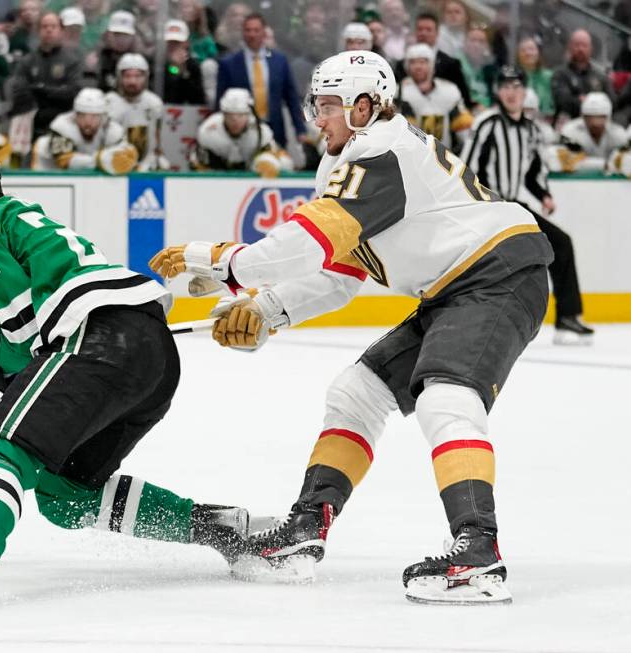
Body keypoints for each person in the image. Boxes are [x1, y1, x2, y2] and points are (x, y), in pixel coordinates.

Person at [151, 50, 553, 605]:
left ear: (366, 106)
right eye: (316, 104)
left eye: (330, 105)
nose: (319, 117)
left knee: (445, 397)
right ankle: (305, 528)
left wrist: (222, 262)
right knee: (355, 393)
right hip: (459, 286)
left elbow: (306, 244)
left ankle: (477, 551)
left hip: (497, 275)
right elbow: (338, 276)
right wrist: (266, 310)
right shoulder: (355, 159)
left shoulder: (381, 148)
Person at [0, 147, 253, 610]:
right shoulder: (7, 232)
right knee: (65, 493)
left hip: (95, 339)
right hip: (152, 355)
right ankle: (220, 527)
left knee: (1, 450)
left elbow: (26, 340)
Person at [463, 65, 593, 345]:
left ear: (525, 92)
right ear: (498, 91)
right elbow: (469, 171)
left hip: (514, 206)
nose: (512, 93)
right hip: (489, 209)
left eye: (517, 87)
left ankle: (568, 318)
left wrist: (544, 195)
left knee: (561, 243)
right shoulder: (487, 124)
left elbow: (533, 170)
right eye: (506, 87)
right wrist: (481, 210)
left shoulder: (531, 130)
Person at [215, 12, 307, 150]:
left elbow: (291, 98)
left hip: (275, 130)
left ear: (264, 33)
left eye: (256, 30)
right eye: (248, 30)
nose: (252, 34)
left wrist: (300, 130)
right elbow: (220, 100)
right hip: (242, 131)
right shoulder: (229, 64)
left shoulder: (279, 61)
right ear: (243, 33)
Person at [8, 12, 83, 141]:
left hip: (63, 118)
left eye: (53, 27)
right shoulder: (27, 61)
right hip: (33, 117)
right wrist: (52, 92)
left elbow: (73, 92)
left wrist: (41, 90)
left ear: (61, 31)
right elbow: (19, 91)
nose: (49, 30)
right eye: (44, 26)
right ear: (38, 31)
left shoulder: (72, 61)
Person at [31, 87, 137, 174]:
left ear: (103, 117)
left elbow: (127, 158)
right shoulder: (61, 125)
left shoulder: (113, 130)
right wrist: (98, 160)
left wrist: (126, 156)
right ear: (75, 114)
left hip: (91, 181)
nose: (88, 122)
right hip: (51, 174)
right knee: (42, 143)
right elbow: (64, 161)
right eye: (82, 115)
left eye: (94, 116)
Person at [190, 87, 291, 177]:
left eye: (240, 116)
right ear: (223, 114)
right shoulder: (208, 130)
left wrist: (270, 162)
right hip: (217, 175)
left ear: (249, 114)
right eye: (230, 116)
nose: (235, 121)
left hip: (251, 176)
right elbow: (197, 162)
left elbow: (283, 160)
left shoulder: (262, 132)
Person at [397, 43, 473, 151]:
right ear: (407, 66)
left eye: (422, 62)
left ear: (432, 64)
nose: (418, 66)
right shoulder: (398, 92)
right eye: (413, 62)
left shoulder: (449, 90)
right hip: (411, 155)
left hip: (445, 156)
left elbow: (464, 129)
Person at [395, 10, 472, 109]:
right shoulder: (401, 64)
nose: (424, 33)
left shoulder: (451, 64)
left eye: (428, 30)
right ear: (415, 32)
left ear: (437, 33)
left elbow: (463, 97)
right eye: (420, 29)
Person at [105, 53, 169, 172]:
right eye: (127, 76)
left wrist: (156, 157)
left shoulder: (154, 103)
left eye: (138, 76)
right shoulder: (107, 103)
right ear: (119, 77)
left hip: (145, 164)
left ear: (146, 77)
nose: (132, 81)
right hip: (114, 161)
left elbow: (157, 139)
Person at [549, 93, 629, 172]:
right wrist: (605, 164)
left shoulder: (618, 134)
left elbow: (625, 163)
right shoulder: (570, 131)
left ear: (608, 117)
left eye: (601, 116)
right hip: (576, 180)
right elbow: (565, 162)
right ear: (583, 116)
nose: (595, 122)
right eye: (590, 116)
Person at [551, 29, 615, 123]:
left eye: (584, 45)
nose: (580, 49)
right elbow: (563, 101)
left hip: (596, 126)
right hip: (567, 125)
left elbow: (612, 102)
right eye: (577, 45)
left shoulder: (600, 76)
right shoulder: (559, 73)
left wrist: (583, 100)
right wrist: (594, 103)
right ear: (570, 47)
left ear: (591, 49)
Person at [162, 18, 205, 105]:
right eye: (170, 42)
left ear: (186, 43)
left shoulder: (193, 66)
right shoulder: (157, 65)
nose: (173, 46)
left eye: (177, 43)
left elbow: (197, 99)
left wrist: (183, 71)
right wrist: (173, 68)